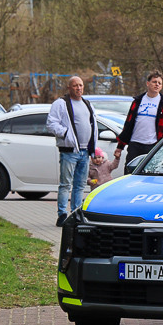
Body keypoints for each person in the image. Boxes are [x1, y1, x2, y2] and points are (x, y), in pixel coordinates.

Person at [47, 76, 99, 226]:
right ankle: (62, 214)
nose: (79, 88)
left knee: (80, 185)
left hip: (84, 152)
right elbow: (51, 123)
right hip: (69, 151)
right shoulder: (61, 104)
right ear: (69, 88)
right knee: (65, 184)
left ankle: (76, 213)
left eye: (81, 85)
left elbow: (93, 125)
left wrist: (92, 149)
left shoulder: (87, 104)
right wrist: (65, 134)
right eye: (75, 85)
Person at [114, 70, 163, 167]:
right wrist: (120, 147)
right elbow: (128, 124)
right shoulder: (138, 101)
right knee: (130, 171)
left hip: (153, 145)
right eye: (154, 82)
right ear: (148, 83)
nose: (157, 85)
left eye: (159, 83)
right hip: (135, 144)